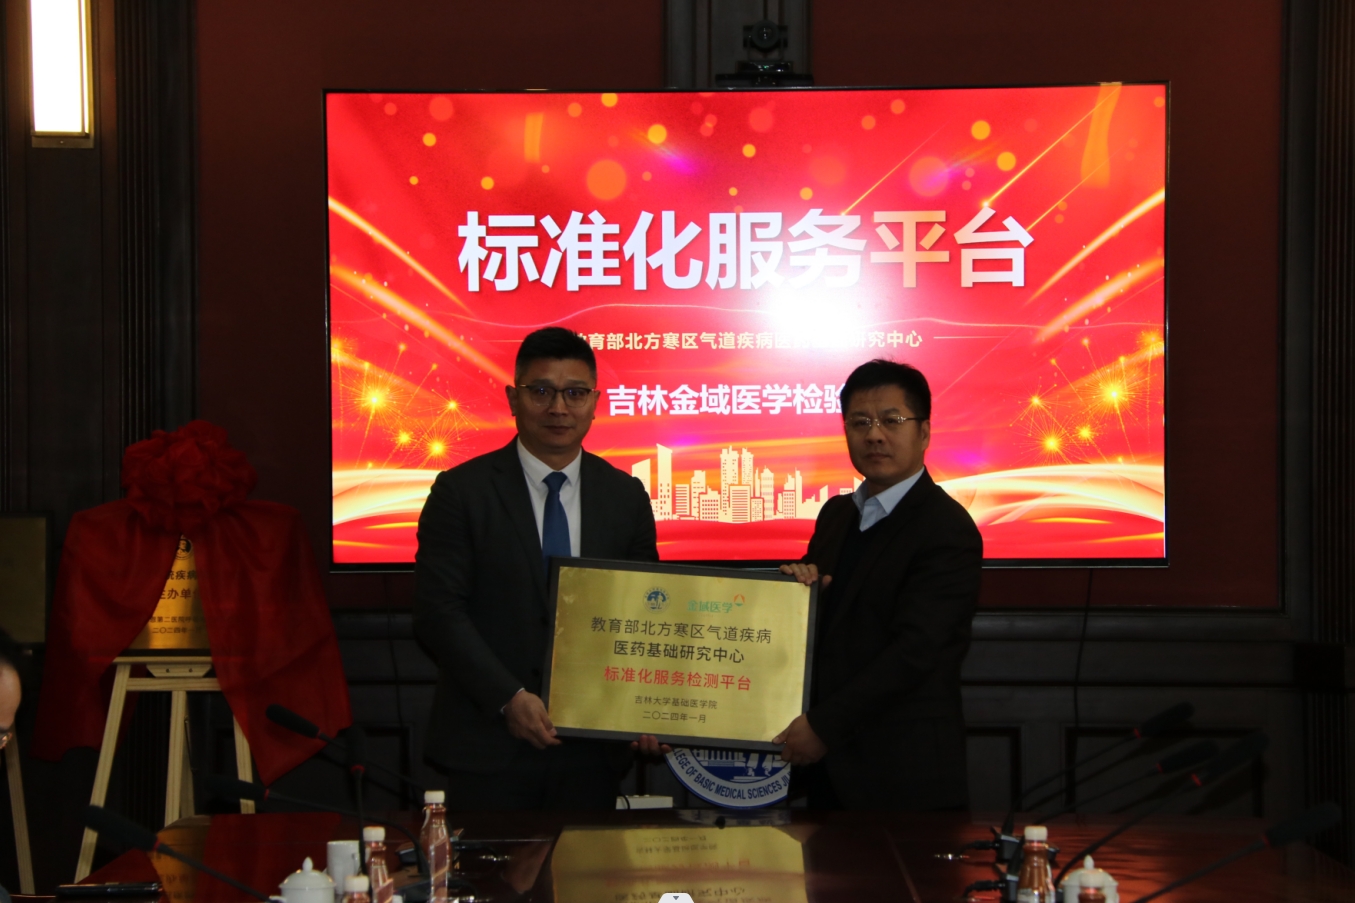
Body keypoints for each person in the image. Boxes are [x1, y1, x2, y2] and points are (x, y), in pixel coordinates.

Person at [414, 327, 665, 810]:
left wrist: (650, 706)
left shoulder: (624, 496)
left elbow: (645, 611)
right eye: (541, 391)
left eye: (575, 393)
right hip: (488, 746)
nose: (558, 408)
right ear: (514, 398)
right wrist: (508, 697)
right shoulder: (461, 492)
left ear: (595, 402)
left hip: (592, 750)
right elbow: (438, 613)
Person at [775, 359, 982, 810]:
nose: (874, 435)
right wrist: (797, 591)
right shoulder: (836, 516)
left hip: (903, 774)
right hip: (827, 773)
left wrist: (824, 727)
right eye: (860, 422)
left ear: (924, 432)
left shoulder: (947, 529)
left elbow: (915, 653)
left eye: (892, 421)